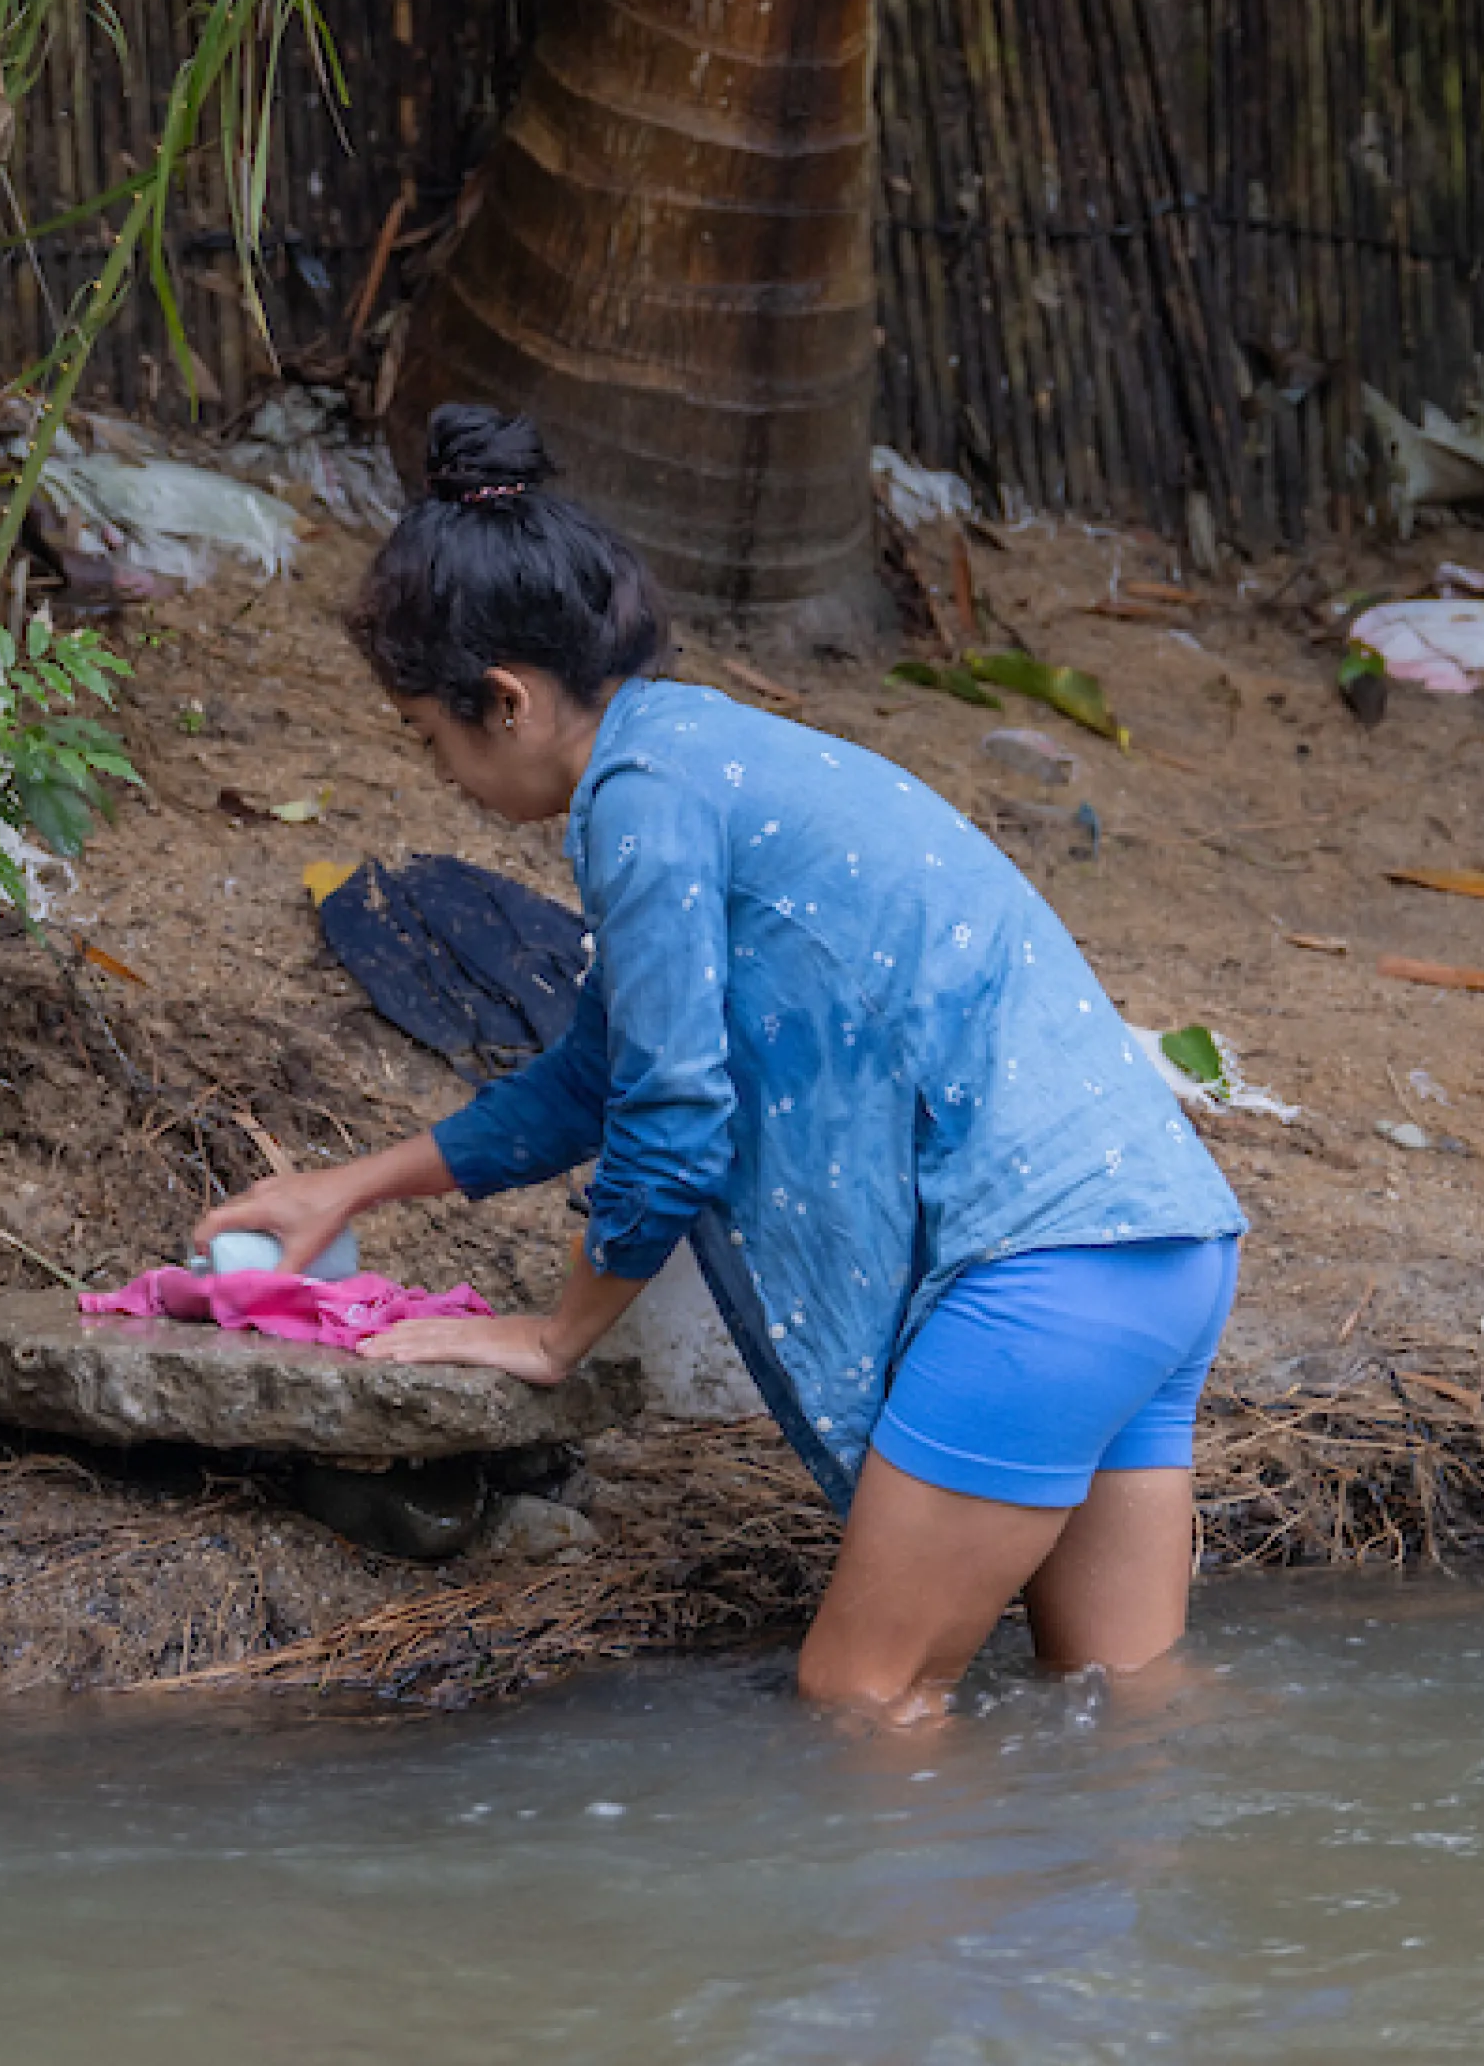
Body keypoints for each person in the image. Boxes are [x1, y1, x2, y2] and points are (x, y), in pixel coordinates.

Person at [198, 407, 1248, 1721]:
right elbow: (599, 1075)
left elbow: (670, 1121)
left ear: (505, 700)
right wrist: (349, 1189)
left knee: (863, 1699)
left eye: (426, 733)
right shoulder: (702, 752)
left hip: (1040, 1279)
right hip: (1162, 1245)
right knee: (1129, 1713)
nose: (439, 769)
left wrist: (555, 1335)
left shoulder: (640, 802)